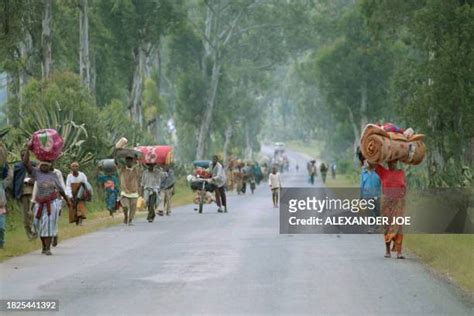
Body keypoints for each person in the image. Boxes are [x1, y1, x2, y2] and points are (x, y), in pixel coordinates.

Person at [23, 151, 71, 256]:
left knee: (48, 225)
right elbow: (26, 163)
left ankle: (48, 248)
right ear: (39, 165)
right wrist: (28, 147)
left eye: (46, 165)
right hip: (39, 203)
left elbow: (61, 190)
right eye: (42, 165)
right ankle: (44, 247)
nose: (44, 167)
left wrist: (67, 201)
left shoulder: (54, 175)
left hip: (51, 203)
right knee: (39, 225)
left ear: (49, 166)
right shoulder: (36, 173)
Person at [375, 160, 406, 259]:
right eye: (389, 162)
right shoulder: (383, 172)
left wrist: (402, 197)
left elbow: (404, 187)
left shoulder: (401, 173)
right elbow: (373, 163)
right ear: (387, 163)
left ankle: (399, 252)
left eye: (394, 162)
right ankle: (387, 250)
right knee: (387, 226)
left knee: (398, 226)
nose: (392, 164)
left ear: (397, 162)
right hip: (386, 203)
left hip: (398, 202)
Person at [13, 150, 36, 239]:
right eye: (22, 155)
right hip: (22, 194)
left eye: (25, 155)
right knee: (25, 217)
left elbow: (40, 173)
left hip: (33, 193)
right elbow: (14, 180)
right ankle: (30, 234)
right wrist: (15, 194)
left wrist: (33, 180)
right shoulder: (18, 166)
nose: (24, 157)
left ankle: (35, 231)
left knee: (32, 213)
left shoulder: (34, 165)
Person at [115, 154, 141, 225]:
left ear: (133, 162)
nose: (129, 162)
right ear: (126, 161)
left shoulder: (136, 170)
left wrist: (137, 160)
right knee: (125, 206)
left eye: (130, 161)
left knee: (133, 207)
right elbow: (116, 163)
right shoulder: (122, 169)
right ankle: (126, 216)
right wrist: (116, 155)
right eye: (127, 161)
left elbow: (141, 167)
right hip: (124, 192)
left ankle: (130, 220)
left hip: (134, 192)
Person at [360, 160, 381, 233]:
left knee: (377, 211)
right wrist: (361, 197)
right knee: (370, 211)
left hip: (377, 195)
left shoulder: (378, 172)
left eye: (367, 162)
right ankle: (371, 227)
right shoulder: (363, 173)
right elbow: (361, 185)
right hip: (367, 195)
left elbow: (382, 183)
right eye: (365, 162)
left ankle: (378, 225)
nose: (365, 164)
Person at [0, 162, 9, 249]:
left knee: (1, 228)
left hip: (1, 209)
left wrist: (6, 166)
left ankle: (1, 244)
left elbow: (10, 177)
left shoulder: (2, 183)